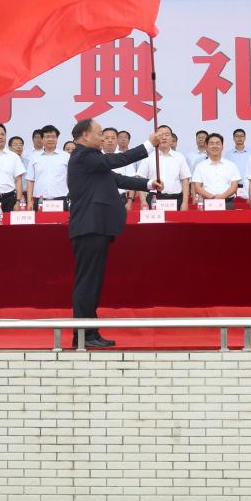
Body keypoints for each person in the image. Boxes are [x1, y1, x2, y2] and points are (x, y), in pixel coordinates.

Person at [67, 119, 162, 348]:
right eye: (99, 133)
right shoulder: (83, 155)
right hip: (89, 227)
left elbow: (116, 178)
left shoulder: (93, 160)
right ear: (85, 135)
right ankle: (83, 336)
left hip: (96, 227)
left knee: (93, 283)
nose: (103, 137)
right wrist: (148, 145)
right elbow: (117, 160)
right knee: (87, 283)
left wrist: (149, 184)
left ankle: (90, 333)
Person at [135, 125, 191, 210]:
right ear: (156, 138)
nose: (164, 137)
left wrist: (185, 203)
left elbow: (185, 180)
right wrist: (143, 201)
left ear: (171, 139)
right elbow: (141, 179)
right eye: (161, 135)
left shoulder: (180, 157)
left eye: (167, 135)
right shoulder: (148, 156)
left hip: (176, 199)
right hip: (154, 199)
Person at [191, 133, 241, 209]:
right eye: (211, 143)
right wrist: (212, 197)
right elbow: (197, 187)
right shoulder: (200, 166)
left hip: (227, 202)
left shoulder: (231, 165)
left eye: (217, 143)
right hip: (207, 203)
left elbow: (234, 186)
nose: (215, 146)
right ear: (206, 147)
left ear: (222, 147)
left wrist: (221, 197)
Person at [26, 125, 70, 210]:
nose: (50, 139)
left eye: (53, 137)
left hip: (61, 199)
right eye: (47, 136)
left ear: (57, 139)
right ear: (42, 139)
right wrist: (29, 201)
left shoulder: (66, 156)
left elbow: (71, 179)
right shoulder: (34, 157)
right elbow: (30, 181)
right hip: (40, 200)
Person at [100, 127, 135, 207]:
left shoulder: (125, 157)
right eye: (107, 138)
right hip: (99, 200)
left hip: (121, 199)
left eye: (113, 138)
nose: (110, 140)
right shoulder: (95, 157)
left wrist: (130, 201)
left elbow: (132, 180)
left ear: (117, 141)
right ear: (101, 140)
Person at [225, 128, 251, 198]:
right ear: (233, 138)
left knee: (247, 204)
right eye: (237, 136)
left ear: (245, 138)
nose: (239, 138)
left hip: (248, 186)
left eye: (241, 136)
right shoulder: (228, 155)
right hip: (233, 187)